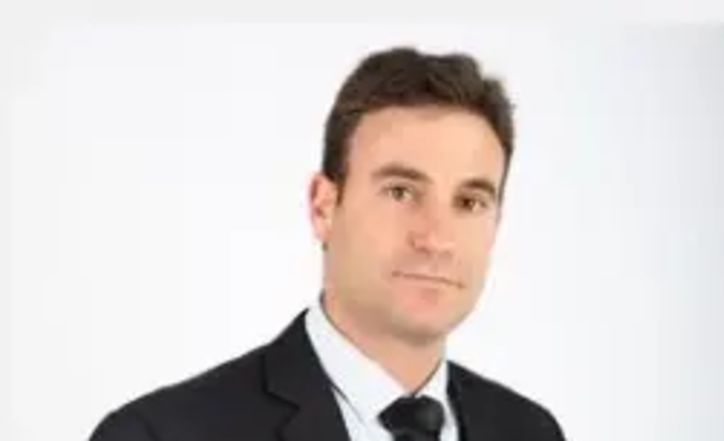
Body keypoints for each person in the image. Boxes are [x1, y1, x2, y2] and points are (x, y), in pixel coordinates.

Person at [89, 47, 566, 441]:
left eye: (469, 202)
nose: (437, 238)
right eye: (401, 192)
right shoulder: (158, 434)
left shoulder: (531, 432)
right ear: (323, 207)